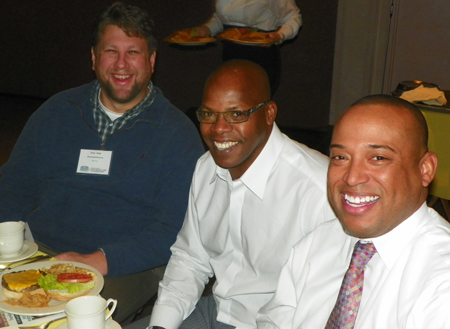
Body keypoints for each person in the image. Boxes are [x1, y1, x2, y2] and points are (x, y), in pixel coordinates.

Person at [0, 2, 204, 324]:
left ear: (151, 61)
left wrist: (97, 261)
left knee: (63, 321)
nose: (121, 64)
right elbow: (15, 184)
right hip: (38, 251)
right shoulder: (57, 111)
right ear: (94, 58)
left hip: (123, 265)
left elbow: (174, 229)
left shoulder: (177, 135)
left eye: (133, 53)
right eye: (111, 51)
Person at [125, 59, 335, 329]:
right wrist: (161, 325)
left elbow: (319, 306)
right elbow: (190, 260)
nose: (219, 128)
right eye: (209, 114)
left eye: (236, 114)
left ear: (269, 113)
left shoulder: (319, 190)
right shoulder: (205, 167)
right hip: (216, 309)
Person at [256, 95, 450, 328]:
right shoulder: (316, 244)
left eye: (378, 158)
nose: (352, 176)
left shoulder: (440, 279)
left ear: (425, 170)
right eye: (340, 157)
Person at [190, 0, 301, 95]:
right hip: (231, 56)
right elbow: (223, 18)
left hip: (261, 56)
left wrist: (280, 35)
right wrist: (206, 29)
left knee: (255, 105)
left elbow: (293, 16)